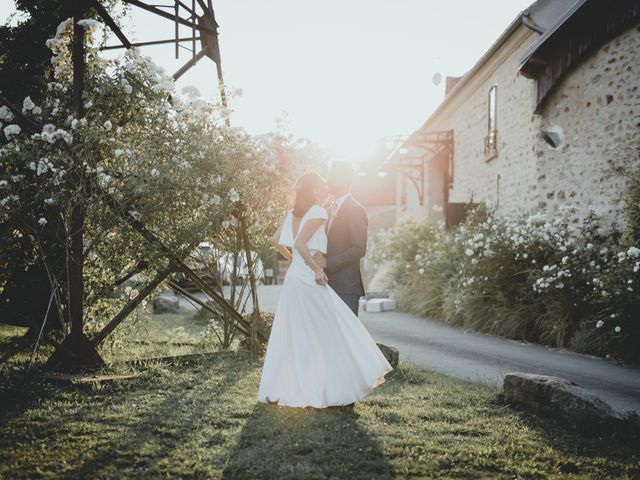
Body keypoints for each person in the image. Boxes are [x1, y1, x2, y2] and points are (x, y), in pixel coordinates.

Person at [257, 172, 392, 409]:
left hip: (295, 277)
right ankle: (336, 386)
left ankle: (292, 386)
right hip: (309, 277)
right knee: (333, 331)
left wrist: (296, 261)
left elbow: (276, 239)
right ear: (314, 190)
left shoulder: (291, 213)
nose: (325, 186)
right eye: (321, 184)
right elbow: (300, 243)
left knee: (294, 332)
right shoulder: (319, 211)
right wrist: (316, 269)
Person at [313, 161, 368, 316]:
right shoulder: (328, 211)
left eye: (331, 175)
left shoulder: (355, 210)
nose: (327, 180)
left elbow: (359, 248)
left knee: (347, 338)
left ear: (343, 179)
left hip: (346, 289)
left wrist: (328, 262)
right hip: (326, 284)